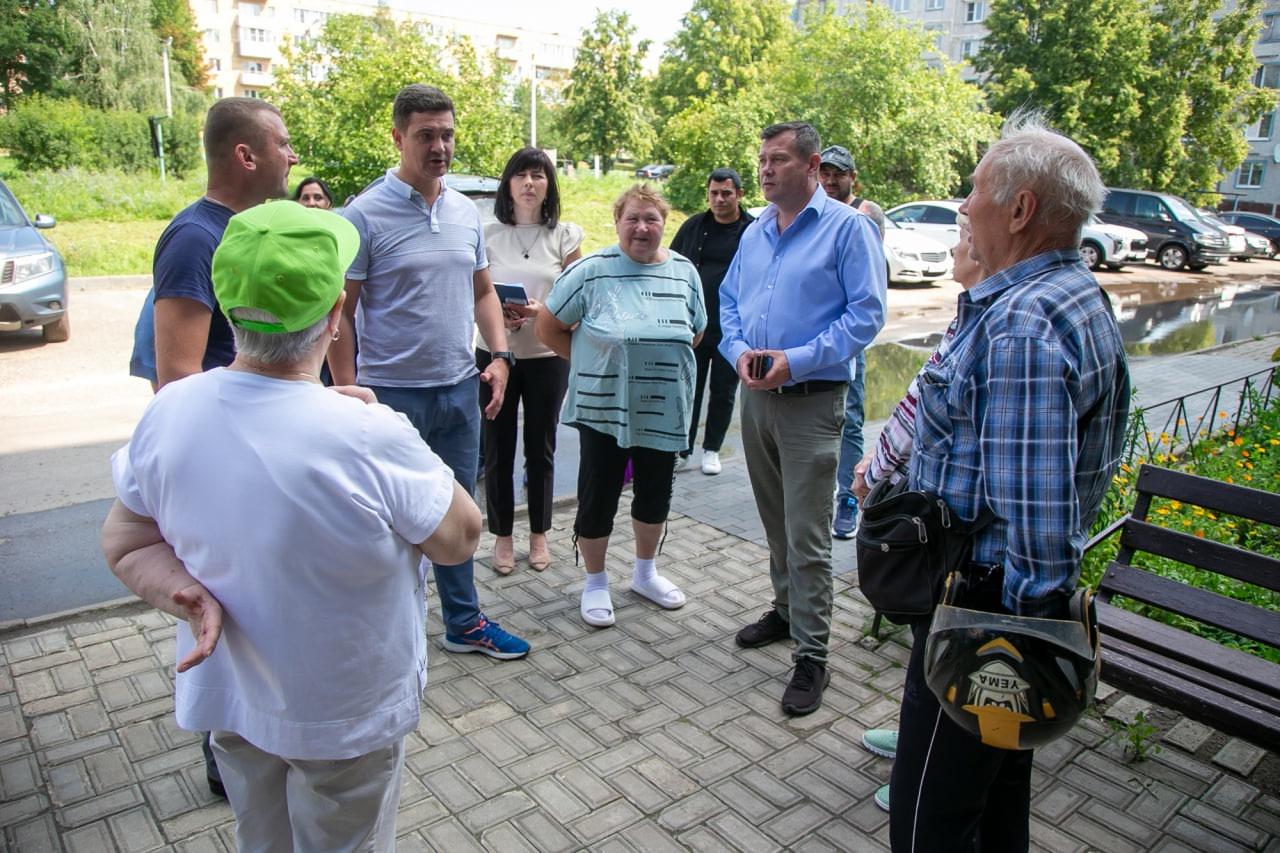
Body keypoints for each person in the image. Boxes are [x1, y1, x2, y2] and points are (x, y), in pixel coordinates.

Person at [101, 201, 483, 851]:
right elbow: (460, 537)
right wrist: (393, 434)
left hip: (233, 702)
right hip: (344, 715)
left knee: (261, 837)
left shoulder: (170, 412)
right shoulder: (365, 433)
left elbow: (126, 539)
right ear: (335, 315)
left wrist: (180, 592)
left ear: (227, 308)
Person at [889, 114, 1130, 850]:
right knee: (995, 807)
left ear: (1021, 209)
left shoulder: (1023, 323)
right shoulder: (1069, 292)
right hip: (999, 611)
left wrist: (1012, 648)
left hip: (987, 617)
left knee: (929, 822)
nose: (963, 206)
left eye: (975, 190)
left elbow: (1037, 517)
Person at [329, 84, 530, 661]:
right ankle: (387, 633)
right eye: (426, 135)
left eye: (447, 134)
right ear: (398, 138)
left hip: (458, 389)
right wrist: (345, 390)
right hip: (390, 397)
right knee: (388, 523)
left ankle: (463, 623)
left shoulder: (466, 211)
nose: (440, 146)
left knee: (456, 515)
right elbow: (340, 313)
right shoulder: (364, 215)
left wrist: (499, 356)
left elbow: (483, 291)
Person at [721, 122, 886, 716]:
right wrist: (739, 351)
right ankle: (787, 612)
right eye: (762, 159)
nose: (765, 169)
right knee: (775, 521)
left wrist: (797, 360)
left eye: (779, 159)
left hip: (813, 399)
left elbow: (867, 315)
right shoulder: (756, 230)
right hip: (756, 396)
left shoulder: (848, 229)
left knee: (808, 536)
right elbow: (730, 302)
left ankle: (813, 655)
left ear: (813, 166)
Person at [850, 213, 984, 814]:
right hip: (934, 522)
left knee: (942, 651)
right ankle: (914, 747)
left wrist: (873, 471)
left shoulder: (1001, 320)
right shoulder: (971, 312)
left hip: (957, 534)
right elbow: (914, 403)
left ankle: (922, 774)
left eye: (965, 235)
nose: (954, 245)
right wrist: (877, 463)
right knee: (926, 646)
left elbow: (925, 413)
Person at [536, 184, 706, 628]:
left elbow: (696, 332)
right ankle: (595, 582)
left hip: (663, 409)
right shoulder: (591, 271)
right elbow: (548, 326)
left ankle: (645, 574)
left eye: (651, 219)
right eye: (632, 218)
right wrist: (593, 365)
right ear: (617, 222)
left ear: (664, 224)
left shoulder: (684, 272)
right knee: (599, 497)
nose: (642, 228)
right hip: (603, 409)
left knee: (655, 495)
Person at [129, 98, 299, 393]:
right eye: (283, 144)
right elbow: (178, 379)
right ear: (247, 157)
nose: (293, 157)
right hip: (227, 418)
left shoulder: (246, 228)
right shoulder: (194, 239)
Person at [479, 147, 583, 574]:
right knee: (497, 448)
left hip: (546, 355)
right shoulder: (487, 233)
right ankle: (502, 536)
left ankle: (539, 533)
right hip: (494, 354)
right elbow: (475, 293)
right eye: (520, 175)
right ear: (507, 183)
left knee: (541, 448)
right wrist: (496, 314)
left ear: (548, 186)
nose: (528, 183)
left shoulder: (565, 236)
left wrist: (544, 313)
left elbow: (579, 299)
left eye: (538, 176)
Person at [668, 167, 754, 476]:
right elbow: (670, 263)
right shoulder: (694, 226)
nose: (719, 199)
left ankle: (712, 450)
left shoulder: (753, 231)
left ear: (739, 195)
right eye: (714, 193)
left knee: (723, 391)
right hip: (694, 326)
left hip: (732, 329)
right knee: (688, 389)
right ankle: (683, 450)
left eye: (726, 193)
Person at [819, 144, 886, 540]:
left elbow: (866, 285)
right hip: (815, 339)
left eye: (838, 174)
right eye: (825, 173)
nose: (830, 180)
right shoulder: (812, 212)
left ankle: (848, 498)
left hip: (850, 341)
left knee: (850, 419)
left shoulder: (866, 214)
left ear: (852, 178)